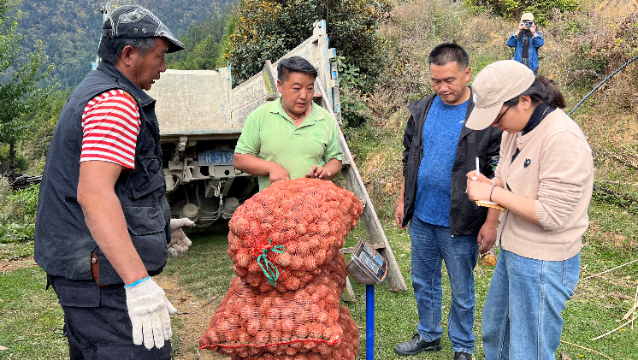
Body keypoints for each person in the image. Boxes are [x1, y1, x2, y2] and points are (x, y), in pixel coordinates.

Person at [34, 5, 187, 358]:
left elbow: (117, 187)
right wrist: (138, 283)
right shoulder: (115, 102)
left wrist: (157, 227)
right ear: (129, 54)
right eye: (160, 57)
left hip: (90, 271)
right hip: (100, 279)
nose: (163, 68)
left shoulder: (99, 89)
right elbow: (94, 194)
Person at [465, 60, 593, 360]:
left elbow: (552, 214)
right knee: (496, 332)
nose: (495, 126)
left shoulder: (562, 139)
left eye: (497, 117)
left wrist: (493, 192)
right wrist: (490, 192)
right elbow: (506, 179)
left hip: (543, 261)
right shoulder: (516, 130)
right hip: (514, 251)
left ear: (524, 101)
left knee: (528, 349)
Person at [393, 43, 502, 360]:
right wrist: (403, 201)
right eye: (436, 81)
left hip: (462, 220)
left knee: (462, 290)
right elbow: (409, 159)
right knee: (422, 281)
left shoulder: (484, 117)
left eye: (450, 80)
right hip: (423, 217)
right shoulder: (423, 110)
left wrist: (491, 223)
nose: (443, 88)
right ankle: (428, 334)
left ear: (467, 74)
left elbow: (499, 173)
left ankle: (463, 346)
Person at [233, 56, 343, 190]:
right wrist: (271, 168)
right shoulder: (260, 117)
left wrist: (325, 171)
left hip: (313, 204)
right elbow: (240, 159)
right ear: (280, 85)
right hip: (274, 205)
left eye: (309, 89)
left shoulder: (325, 119)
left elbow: (335, 160)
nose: (304, 95)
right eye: (296, 89)